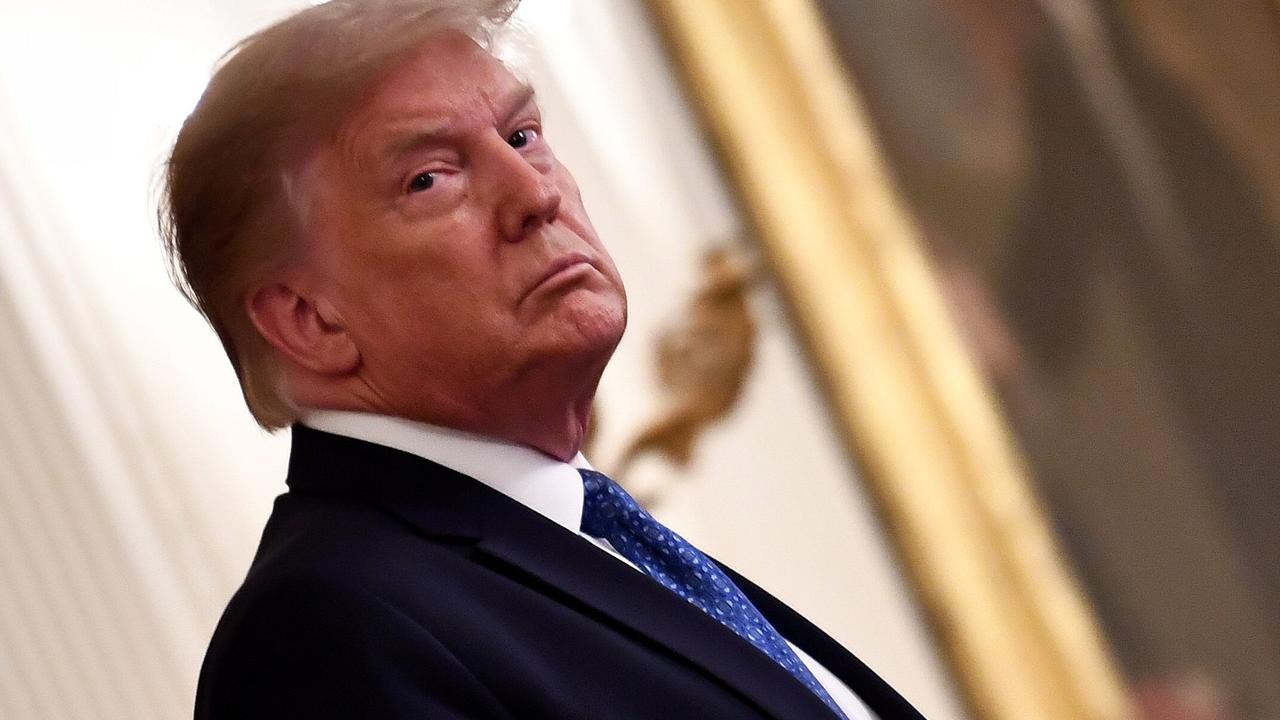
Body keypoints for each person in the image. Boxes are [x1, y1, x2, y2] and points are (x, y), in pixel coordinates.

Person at [162, 1, 925, 718]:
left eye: (523, 136)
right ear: (310, 320)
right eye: (430, 178)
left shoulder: (595, 540)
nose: (535, 193)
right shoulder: (324, 633)